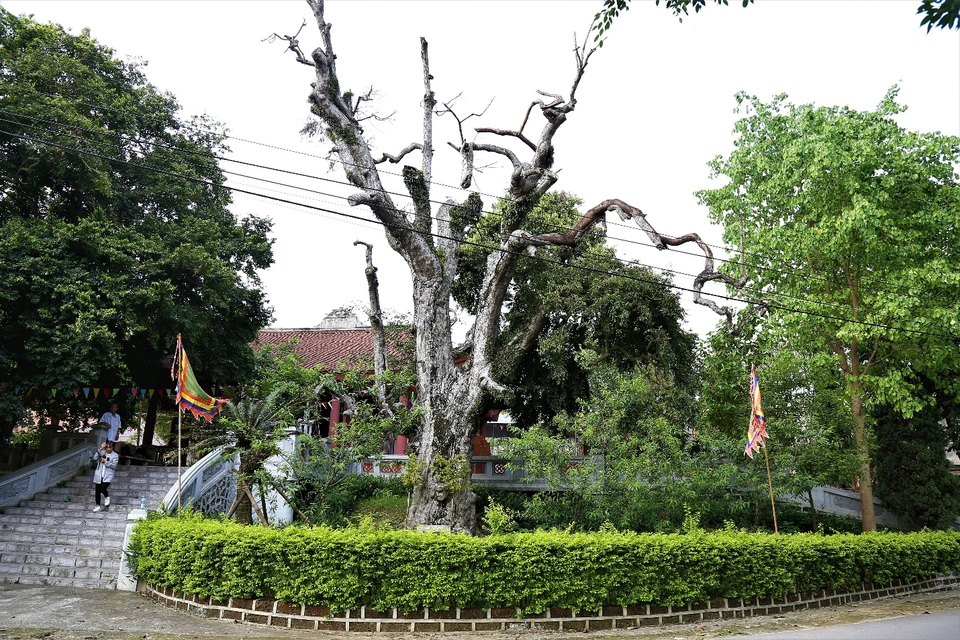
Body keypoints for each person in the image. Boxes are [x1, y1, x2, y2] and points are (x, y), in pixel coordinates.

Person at [92, 441, 118, 512]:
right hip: (99, 474)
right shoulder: (102, 452)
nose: (108, 449)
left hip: (108, 475)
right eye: (107, 447)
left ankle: (106, 496)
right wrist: (100, 448)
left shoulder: (115, 455)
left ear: (112, 447)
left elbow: (114, 466)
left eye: (110, 447)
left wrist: (105, 462)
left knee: (102, 489)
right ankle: (97, 505)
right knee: (97, 490)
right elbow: (94, 458)